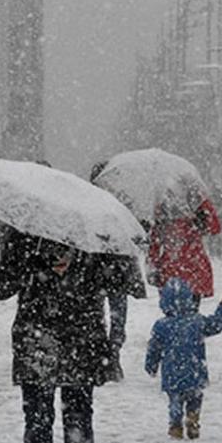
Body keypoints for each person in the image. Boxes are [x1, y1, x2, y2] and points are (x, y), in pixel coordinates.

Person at [0, 229, 118, 443]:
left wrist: (79, 266)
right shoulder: (23, 237)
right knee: (37, 422)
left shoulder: (93, 237)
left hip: (81, 341)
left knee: (79, 420)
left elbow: (115, 282)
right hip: (37, 343)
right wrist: (32, 265)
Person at [145, 277, 222, 439]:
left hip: (172, 373)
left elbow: (154, 348)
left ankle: (175, 424)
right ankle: (193, 417)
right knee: (195, 396)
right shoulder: (197, 321)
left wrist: (151, 366)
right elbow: (216, 324)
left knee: (175, 400)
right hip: (195, 369)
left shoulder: (161, 325)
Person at [89, 161, 147, 381]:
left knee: (101, 315)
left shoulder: (90, 202)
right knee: (115, 315)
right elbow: (138, 235)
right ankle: (111, 356)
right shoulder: (121, 204)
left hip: (99, 268)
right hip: (117, 268)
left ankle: (107, 356)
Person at [148, 196, 221, 304]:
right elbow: (215, 228)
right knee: (191, 313)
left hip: (171, 270)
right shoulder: (197, 203)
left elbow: (154, 244)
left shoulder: (163, 205)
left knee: (171, 313)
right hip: (193, 268)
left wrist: (152, 266)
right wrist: (204, 210)